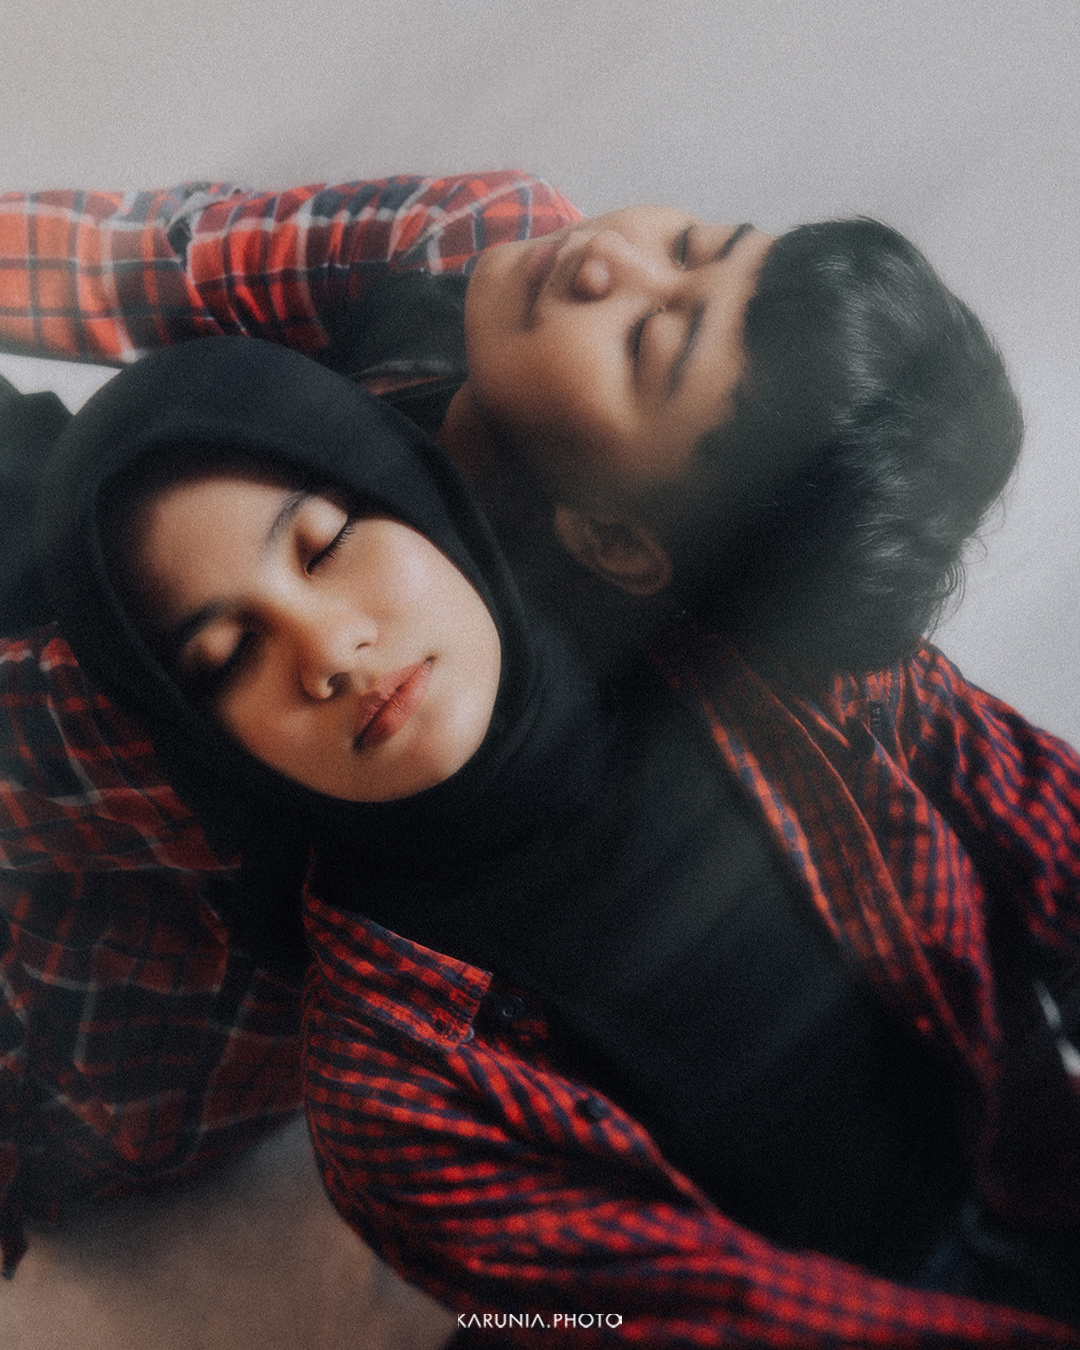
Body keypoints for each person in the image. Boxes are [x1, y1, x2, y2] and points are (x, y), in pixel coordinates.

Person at [2, 170, 1078, 1344]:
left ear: (618, 544)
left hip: (1006, 1172)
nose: (612, 258)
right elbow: (150, 258)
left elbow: (1035, 811)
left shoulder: (782, 675)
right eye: (695, 239)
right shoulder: (379, 1068)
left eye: (652, 349)